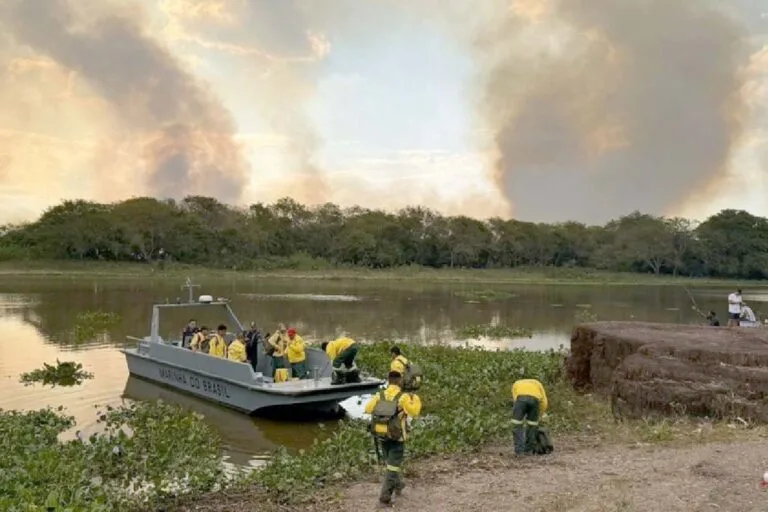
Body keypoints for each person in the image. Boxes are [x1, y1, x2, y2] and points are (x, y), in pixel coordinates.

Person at [364, 371, 422, 506]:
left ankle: (399, 485)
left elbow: (367, 408)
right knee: (393, 468)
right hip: (397, 437)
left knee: (390, 464)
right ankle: (385, 498)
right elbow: (414, 412)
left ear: (388, 381)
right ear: (400, 381)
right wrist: (414, 399)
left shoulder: (380, 395)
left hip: (381, 434)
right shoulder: (403, 397)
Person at [511, 378, 549, 456]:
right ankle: (529, 450)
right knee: (532, 425)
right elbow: (544, 400)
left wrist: (520, 411)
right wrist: (541, 412)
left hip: (520, 400)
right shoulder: (538, 383)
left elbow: (515, 398)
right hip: (535, 401)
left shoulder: (516, 383)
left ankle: (519, 451)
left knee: (517, 424)